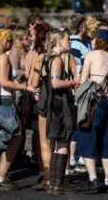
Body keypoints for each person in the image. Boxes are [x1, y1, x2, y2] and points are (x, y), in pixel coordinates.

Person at [0, 29, 38, 190]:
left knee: (5, 138)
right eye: (9, 41)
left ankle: (2, 174)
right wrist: (25, 87)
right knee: (16, 137)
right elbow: (4, 82)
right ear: (4, 41)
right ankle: (1, 176)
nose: (11, 44)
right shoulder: (3, 57)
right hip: (4, 99)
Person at [77, 30, 108, 194]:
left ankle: (93, 178)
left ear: (97, 41)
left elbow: (83, 81)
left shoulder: (91, 55)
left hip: (94, 102)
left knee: (88, 137)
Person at [40, 29, 78, 195]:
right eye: (68, 39)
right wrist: (73, 82)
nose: (70, 42)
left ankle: (55, 183)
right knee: (62, 143)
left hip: (52, 105)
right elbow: (55, 84)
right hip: (59, 104)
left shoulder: (47, 58)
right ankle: (57, 185)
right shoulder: (56, 60)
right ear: (58, 41)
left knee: (57, 144)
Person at [29, 23, 54, 190]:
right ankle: (60, 176)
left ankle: (47, 178)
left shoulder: (39, 58)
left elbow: (33, 83)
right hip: (62, 101)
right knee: (59, 142)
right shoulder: (66, 57)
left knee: (44, 141)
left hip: (43, 102)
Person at [66, 13, 90, 172]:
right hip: (79, 88)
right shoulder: (81, 45)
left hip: (70, 89)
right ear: (81, 26)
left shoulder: (69, 43)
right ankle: (78, 157)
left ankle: (72, 158)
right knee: (81, 123)